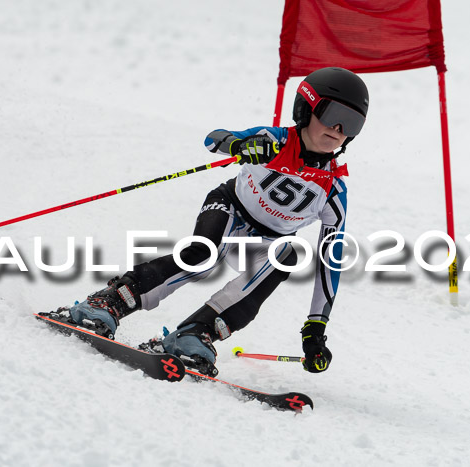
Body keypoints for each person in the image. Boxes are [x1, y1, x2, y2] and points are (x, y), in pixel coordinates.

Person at [61, 67, 369, 376]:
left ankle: (196, 332)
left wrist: (316, 326)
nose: (339, 129)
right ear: (306, 108)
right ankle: (112, 301)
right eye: (332, 115)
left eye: (352, 123)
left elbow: (331, 261)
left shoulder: (333, 189)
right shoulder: (274, 140)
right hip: (230, 207)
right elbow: (213, 140)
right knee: (203, 255)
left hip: (264, 242)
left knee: (286, 255)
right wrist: (238, 146)